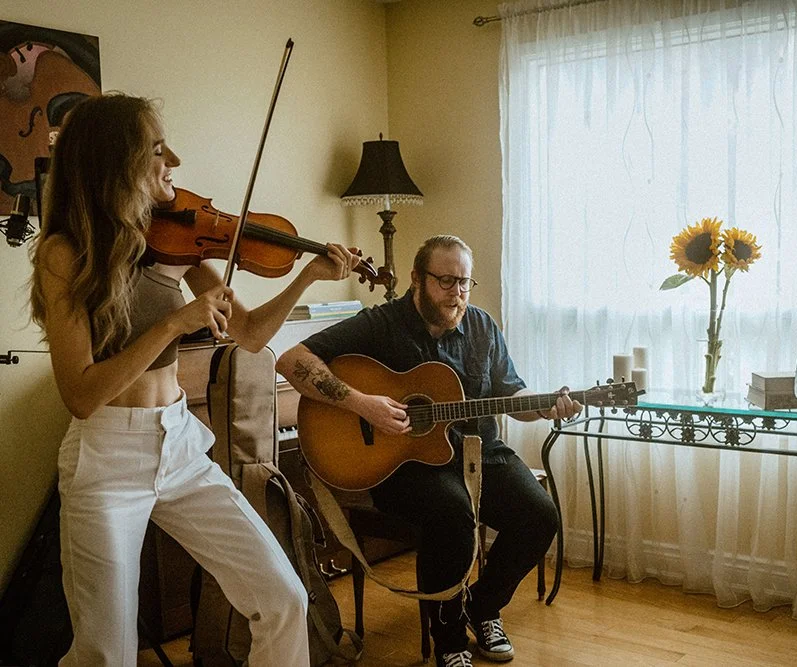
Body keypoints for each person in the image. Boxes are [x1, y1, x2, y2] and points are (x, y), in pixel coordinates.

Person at [28, 92, 362, 666]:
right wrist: (174, 324)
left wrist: (308, 275)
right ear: (118, 161)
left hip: (178, 443)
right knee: (105, 653)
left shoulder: (174, 239)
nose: (174, 161)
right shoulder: (66, 253)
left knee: (282, 596)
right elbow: (81, 395)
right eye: (158, 150)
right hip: (106, 460)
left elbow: (252, 333)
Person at [276, 234, 579, 667]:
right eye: (446, 281)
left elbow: (512, 394)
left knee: (539, 516)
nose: (457, 293)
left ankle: (482, 607)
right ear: (417, 279)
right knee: (451, 512)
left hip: (479, 453)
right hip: (403, 464)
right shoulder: (381, 325)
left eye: (464, 283)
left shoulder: (482, 327)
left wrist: (546, 407)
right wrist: (364, 405)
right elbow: (292, 360)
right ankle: (450, 641)